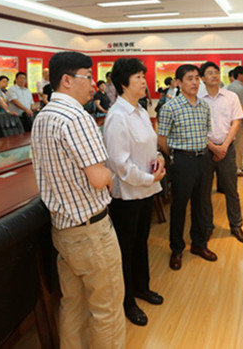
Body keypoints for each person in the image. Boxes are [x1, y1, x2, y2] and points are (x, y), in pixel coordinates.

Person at [31, 51, 125, 348]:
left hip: (63, 230)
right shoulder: (77, 117)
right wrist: (110, 175)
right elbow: (98, 178)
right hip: (91, 233)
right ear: (67, 80)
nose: (94, 84)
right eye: (88, 76)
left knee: (73, 305)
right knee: (108, 308)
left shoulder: (43, 116)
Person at [103, 58, 166, 327]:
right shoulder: (117, 116)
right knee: (125, 250)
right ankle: (127, 301)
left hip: (146, 189)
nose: (144, 81)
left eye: (143, 76)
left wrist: (159, 159)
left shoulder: (139, 110)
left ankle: (142, 287)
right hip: (127, 195)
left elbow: (150, 145)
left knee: (142, 241)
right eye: (138, 77)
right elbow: (119, 164)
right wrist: (149, 177)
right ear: (123, 83)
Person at [157, 64, 216, 270]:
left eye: (197, 78)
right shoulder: (170, 107)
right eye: (189, 78)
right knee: (180, 205)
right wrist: (175, 157)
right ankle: (177, 248)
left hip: (203, 159)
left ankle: (199, 244)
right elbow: (162, 139)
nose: (194, 82)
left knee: (202, 203)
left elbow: (206, 134)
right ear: (179, 82)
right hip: (182, 161)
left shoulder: (204, 106)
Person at [199, 62, 243, 243]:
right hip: (205, 150)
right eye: (209, 73)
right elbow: (196, 127)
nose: (214, 75)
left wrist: (224, 146)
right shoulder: (197, 98)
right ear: (203, 78)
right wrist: (213, 147)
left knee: (231, 189)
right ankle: (207, 226)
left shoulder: (231, 96)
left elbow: (236, 122)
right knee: (204, 192)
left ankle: (236, 225)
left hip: (227, 148)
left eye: (216, 72)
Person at [226, 66, 243, 176]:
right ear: (239, 75)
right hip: (239, 120)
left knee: (236, 144)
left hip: (230, 119)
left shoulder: (230, 86)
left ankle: (239, 165)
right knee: (239, 145)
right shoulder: (240, 89)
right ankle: (237, 168)